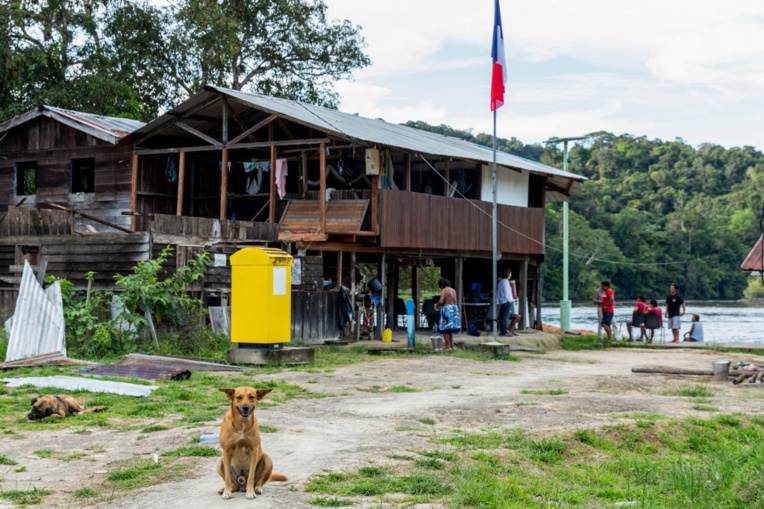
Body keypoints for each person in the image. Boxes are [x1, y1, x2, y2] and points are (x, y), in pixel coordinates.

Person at [435, 277, 461, 351]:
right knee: (450, 329)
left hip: (447, 309)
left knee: (445, 328)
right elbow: (455, 301)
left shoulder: (444, 290)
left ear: (442, 285)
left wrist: (436, 306)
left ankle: (447, 346)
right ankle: (452, 346)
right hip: (454, 309)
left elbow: (441, 301)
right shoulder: (453, 290)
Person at [496, 269, 520, 337]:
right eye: (510, 274)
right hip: (506, 301)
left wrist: (499, 299)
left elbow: (499, 292)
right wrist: (510, 300)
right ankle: (504, 332)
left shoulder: (500, 282)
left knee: (503, 316)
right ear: (507, 274)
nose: (511, 275)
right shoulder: (506, 282)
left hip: (502, 301)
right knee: (504, 317)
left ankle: (503, 331)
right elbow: (507, 292)